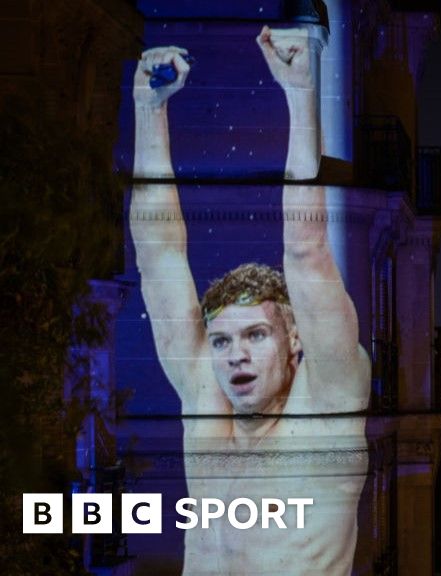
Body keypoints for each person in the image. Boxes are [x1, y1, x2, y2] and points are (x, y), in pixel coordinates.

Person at [130, 26, 369, 575]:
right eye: (222, 340)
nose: (234, 355)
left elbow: (306, 250)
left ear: (295, 340)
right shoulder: (206, 402)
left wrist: (299, 91)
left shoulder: (329, 406)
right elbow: (158, 255)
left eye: (256, 335)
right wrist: (148, 109)